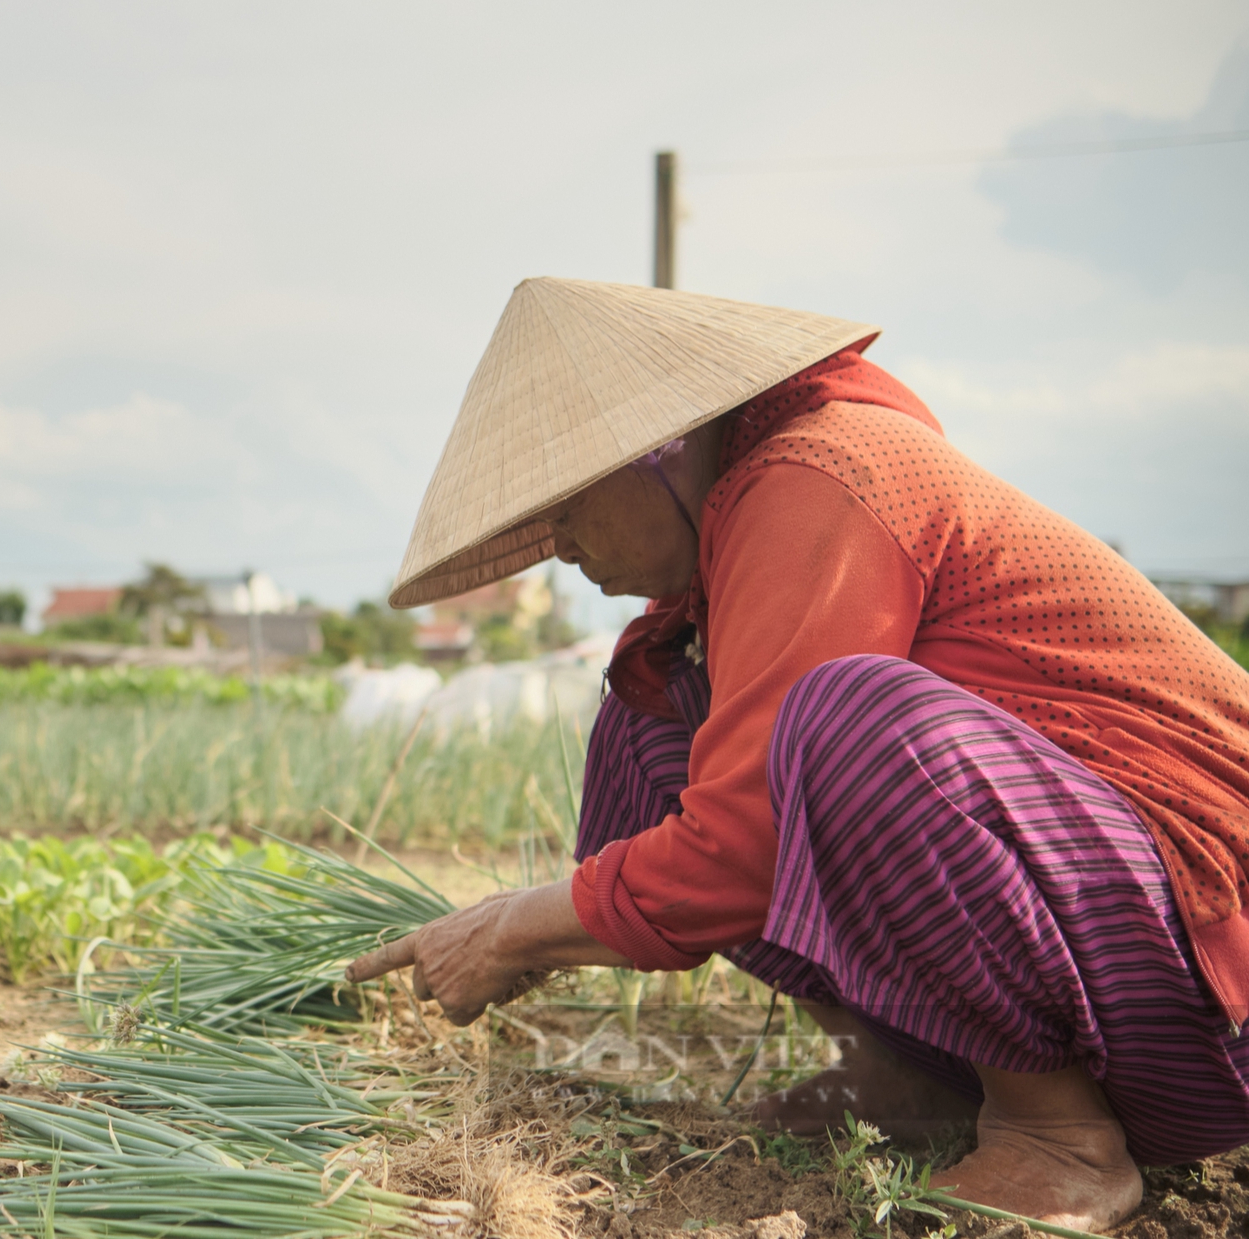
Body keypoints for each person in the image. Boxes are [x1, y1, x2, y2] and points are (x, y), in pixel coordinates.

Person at [347, 278, 1249, 1230]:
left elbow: (744, 843)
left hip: (1206, 994)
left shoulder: (819, 477)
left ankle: (1060, 1140)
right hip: (1107, 984)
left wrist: (511, 928)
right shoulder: (739, 532)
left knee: (842, 717)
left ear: (660, 448)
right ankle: (906, 1075)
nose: (561, 548)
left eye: (566, 506)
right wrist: (539, 920)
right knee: (659, 706)